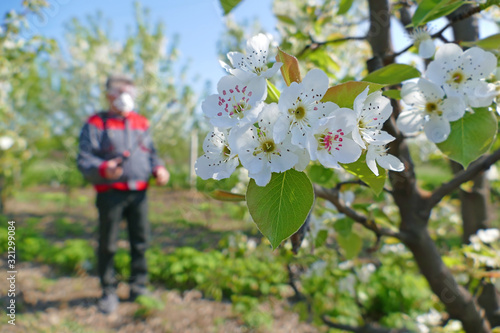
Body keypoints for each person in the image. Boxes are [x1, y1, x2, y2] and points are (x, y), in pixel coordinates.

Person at [77, 73, 169, 314]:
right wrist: (102, 168)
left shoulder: (142, 122)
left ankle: (139, 286)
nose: (127, 97)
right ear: (109, 95)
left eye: (130, 92)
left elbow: (152, 153)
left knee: (140, 242)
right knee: (108, 244)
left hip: (139, 193)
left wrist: (158, 168)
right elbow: (85, 158)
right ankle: (108, 291)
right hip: (110, 194)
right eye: (121, 92)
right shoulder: (96, 123)